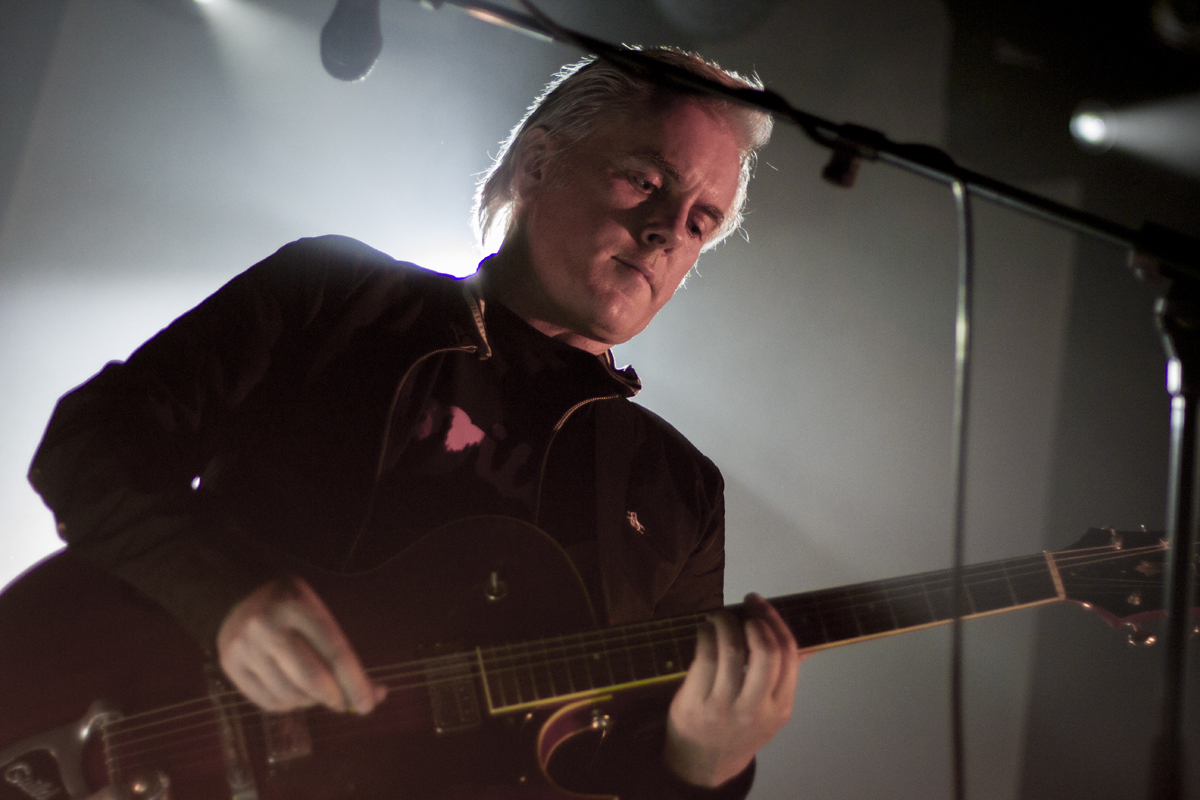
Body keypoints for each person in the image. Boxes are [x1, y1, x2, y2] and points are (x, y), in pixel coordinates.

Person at [28, 47, 800, 799]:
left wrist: (703, 767)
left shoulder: (678, 492)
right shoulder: (335, 295)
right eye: (645, 180)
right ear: (537, 164)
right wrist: (221, 597)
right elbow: (89, 442)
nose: (668, 230)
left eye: (701, 221)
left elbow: (626, 766)